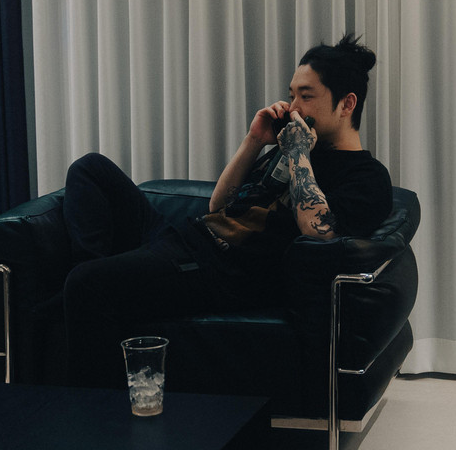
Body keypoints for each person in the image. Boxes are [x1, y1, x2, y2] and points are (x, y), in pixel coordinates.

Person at [62, 33, 392, 388]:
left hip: (216, 269)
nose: (292, 106)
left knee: (86, 283)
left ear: (347, 104)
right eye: (292, 94)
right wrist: (254, 140)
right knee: (91, 168)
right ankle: (90, 285)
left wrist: (298, 153)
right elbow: (218, 205)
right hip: (188, 239)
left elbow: (319, 230)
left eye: (306, 96)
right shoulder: (289, 148)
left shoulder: (367, 177)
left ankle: (95, 377)